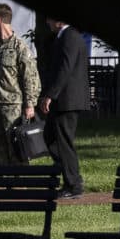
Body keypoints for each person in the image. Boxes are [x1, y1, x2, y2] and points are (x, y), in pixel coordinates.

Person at [0, 3, 40, 165]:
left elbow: (31, 78)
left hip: (12, 105)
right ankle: (3, 182)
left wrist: (30, 104)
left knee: (16, 146)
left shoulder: (19, 46)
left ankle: (19, 183)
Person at [39, 18, 89, 198]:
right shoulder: (63, 37)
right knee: (50, 137)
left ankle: (73, 184)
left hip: (68, 99)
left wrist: (51, 94)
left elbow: (65, 68)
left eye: (50, 19)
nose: (47, 22)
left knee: (63, 141)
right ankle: (72, 177)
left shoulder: (70, 36)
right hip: (63, 99)